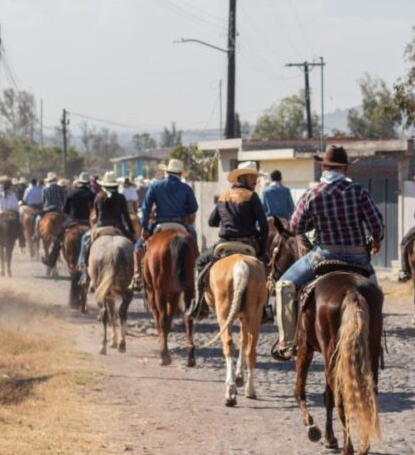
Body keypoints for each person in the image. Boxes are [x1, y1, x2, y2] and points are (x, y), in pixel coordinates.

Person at [271, 146, 384, 361]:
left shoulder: (312, 194)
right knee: (375, 295)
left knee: (284, 286)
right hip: (358, 258)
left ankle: (287, 341)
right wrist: (375, 241)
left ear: (324, 167)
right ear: (345, 169)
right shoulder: (359, 192)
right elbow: (376, 223)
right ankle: (374, 340)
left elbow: (295, 228)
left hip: (323, 256)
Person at [188, 162, 269, 318]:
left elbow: (212, 221)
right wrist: (262, 248)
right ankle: (264, 308)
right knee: (265, 268)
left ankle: (198, 304)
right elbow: (264, 225)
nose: (256, 180)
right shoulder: (252, 196)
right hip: (248, 244)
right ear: (243, 177)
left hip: (224, 244)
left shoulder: (224, 196)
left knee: (199, 263)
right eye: (253, 176)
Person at [131, 159, 199, 288]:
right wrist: (184, 210)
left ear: (167, 171)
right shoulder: (186, 188)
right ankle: (196, 270)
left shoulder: (155, 186)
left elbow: (145, 208)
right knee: (193, 243)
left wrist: (145, 227)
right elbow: (194, 208)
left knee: (138, 246)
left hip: (159, 224)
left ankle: (137, 275)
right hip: (181, 224)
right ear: (180, 173)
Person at [77, 172, 135, 285]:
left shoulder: (99, 196)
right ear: (116, 185)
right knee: (135, 246)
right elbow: (126, 216)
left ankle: (83, 268)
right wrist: (131, 232)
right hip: (118, 226)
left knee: (84, 239)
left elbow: (97, 215)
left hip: (101, 226)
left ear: (104, 185)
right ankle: (137, 274)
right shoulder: (121, 197)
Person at [44, 172, 96, 268]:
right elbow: (94, 209)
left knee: (58, 237)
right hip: (87, 221)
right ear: (88, 183)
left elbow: (66, 210)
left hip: (73, 220)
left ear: (79, 182)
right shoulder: (91, 194)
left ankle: (52, 259)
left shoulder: (72, 192)